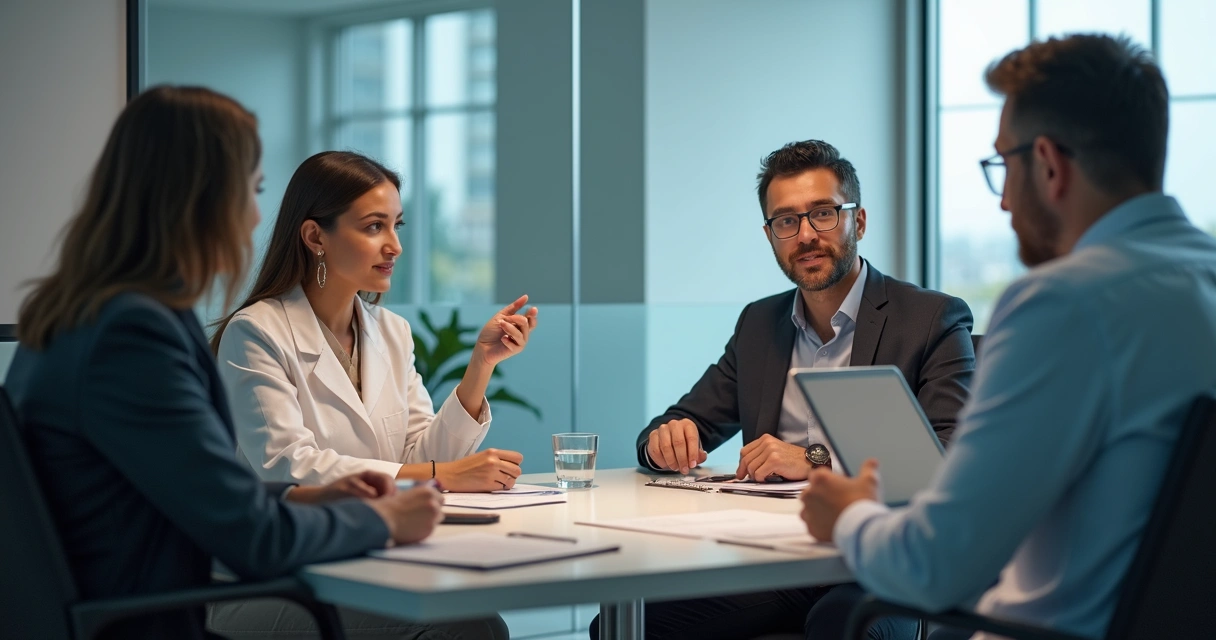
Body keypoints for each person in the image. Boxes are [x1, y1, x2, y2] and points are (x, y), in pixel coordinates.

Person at [4, 86, 465, 639]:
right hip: (150, 621)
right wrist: (380, 521)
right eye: (252, 191)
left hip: (130, 607)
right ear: (198, 199)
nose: (252, 218)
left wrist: (309, 495)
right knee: (462, 626)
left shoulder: (81, 313)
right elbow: (254, 540)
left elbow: (185, 486)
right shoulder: (133, 335)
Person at [800, 35, 1216, 640]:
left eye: (1004, 165)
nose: (1002, 201)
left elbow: (933, 566)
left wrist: (849, 517)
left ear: (1048, 164)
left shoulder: (1066, 302)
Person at [601, 140, 975, 639]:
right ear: (770, 235)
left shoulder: (931, 318)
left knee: (837, 627)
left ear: (857, 222)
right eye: (786, 221)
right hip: (778, 561)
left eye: (823, 214)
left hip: (880, 562)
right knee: (623, 624)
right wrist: (666, 439)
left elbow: (946, 460)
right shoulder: (761, 323)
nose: (806, 236)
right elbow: (680, 422)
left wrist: (815, 459)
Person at [212, 150, 536, 493]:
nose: (395, 246)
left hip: (386, 533)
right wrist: (436, 474)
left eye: (396, 225)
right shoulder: (255, 332)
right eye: (374, 227)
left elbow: (427, 459)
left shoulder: (393, 332)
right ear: (315, 237)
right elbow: (285, 463)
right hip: (297, 541)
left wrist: (481, 364)